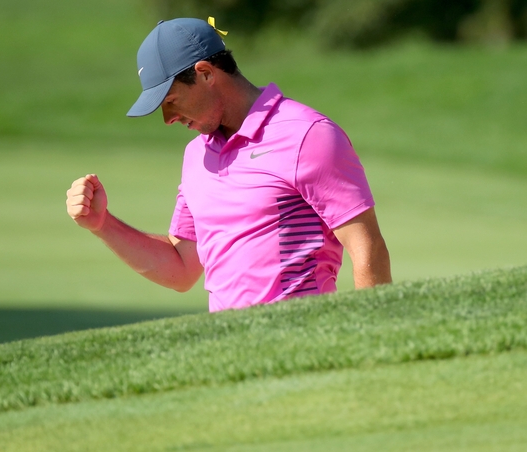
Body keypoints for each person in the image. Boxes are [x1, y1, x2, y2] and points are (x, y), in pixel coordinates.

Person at [65, 17, 391, 312]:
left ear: (206, 74)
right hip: (227, 349)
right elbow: (181, 268)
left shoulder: (307, 135)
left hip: (301, 340)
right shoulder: (197, 155)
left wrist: (371, 340)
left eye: (171, 101)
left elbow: (366, 246)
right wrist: (102, 224)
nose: (168, 119)